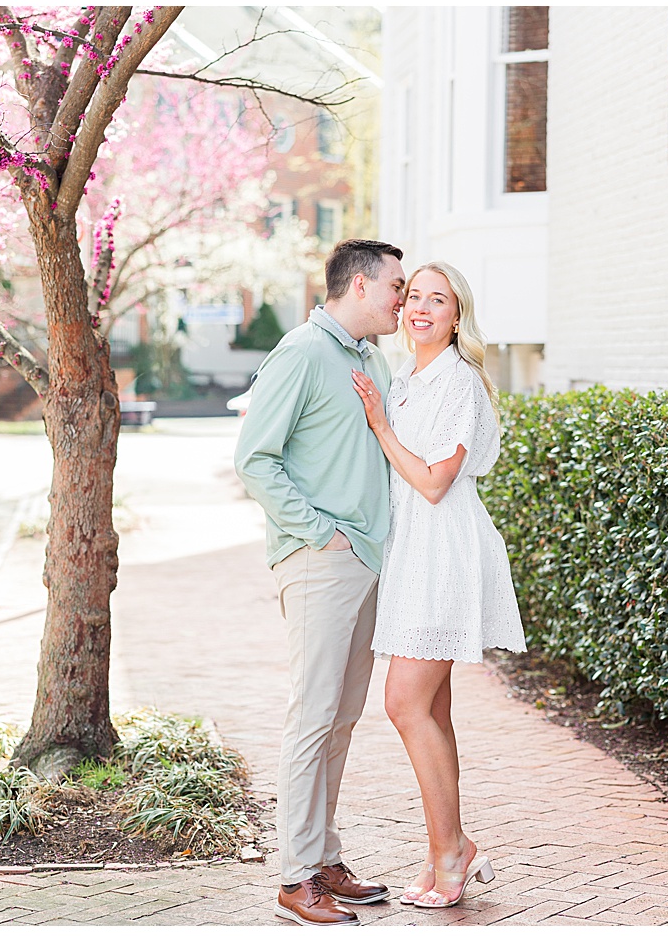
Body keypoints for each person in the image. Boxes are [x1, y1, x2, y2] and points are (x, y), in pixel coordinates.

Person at [235, 239, 407, 927]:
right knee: (311, 717)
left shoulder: (369, 358)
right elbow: (254, 458)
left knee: (340, 717)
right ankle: (294, 877)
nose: (402, 297)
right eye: (396, 285)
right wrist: (317, 531)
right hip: (321, 559)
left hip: (368, 558)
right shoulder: (303, 352)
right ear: (360, 285)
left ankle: (325, 857)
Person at [349, 260, 527, 910]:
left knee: (405, 704)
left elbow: (431, 482)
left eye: (438, 300)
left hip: (443, 549)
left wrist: (382, 428)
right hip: (411, 550)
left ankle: (452, 852)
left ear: (458, 315)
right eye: (415, 296)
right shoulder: (406, 374)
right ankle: (447, 851)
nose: (422, 308)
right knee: (433, 710)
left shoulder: (459, 381)